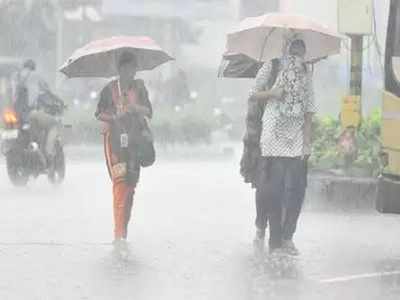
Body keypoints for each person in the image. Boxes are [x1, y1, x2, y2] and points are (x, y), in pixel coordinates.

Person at [249, 38, 316, 256]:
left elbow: (309, 111)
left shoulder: (306, 74)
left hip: (295, 137)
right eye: (293, 50)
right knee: (274, 190)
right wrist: (273, 93)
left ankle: (288, 237)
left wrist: (306, 144)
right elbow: (253, 93)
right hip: (272, 135)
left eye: (300, 51)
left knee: (297, 190)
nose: (296, 55)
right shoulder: (273, 65)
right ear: (286, 49)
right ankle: (275, 241)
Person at [95, 52, 152, 254]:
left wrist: (136, 108)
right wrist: (115, 115)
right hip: (116, 143)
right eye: (127, 68)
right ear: (120, 70)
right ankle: (118, 234)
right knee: (120, 185)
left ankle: (123, 229)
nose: (131, 72)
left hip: (135, 143)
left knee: (130, 186)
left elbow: (149, 112)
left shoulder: (140, 88)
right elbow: (99, 113)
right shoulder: (109, 90)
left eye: (133, 68)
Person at [240, 58, 281, 256]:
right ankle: (260, 225)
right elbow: (252, 123)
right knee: (263, 188)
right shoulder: (257, 96)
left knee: (275, 190)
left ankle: (275, 233)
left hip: (280, 146)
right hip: (259, 148)